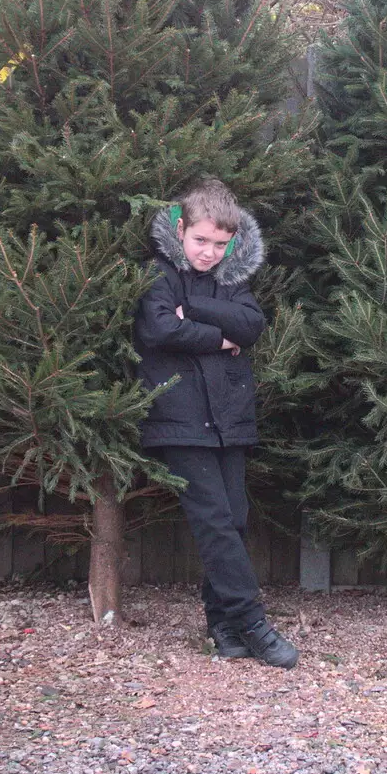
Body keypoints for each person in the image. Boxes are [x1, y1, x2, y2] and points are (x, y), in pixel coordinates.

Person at [133, 178, 299, 669]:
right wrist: (220, 337)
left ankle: (223, 628)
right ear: (181, 230)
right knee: (215, 524)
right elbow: (159, 328)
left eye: (220, 245)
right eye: (200, 241)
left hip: (229, 418)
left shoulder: (231, 279)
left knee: (236, 521)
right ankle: (253, 623)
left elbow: (251, 326)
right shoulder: (157, 273)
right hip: (179, 418)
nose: (209, 253)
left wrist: (200, 311)